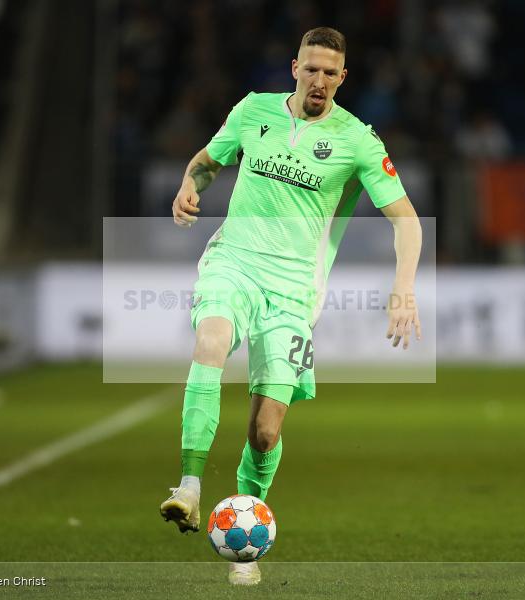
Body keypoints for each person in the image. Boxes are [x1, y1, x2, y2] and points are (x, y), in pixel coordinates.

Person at [159, 27, 422, 586]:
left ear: (342, 78)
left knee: (265, 433)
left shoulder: (357, 140)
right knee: (210, 341)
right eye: (312, 69)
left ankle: (244, 540)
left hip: (295, 292)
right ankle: (188, 485)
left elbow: (407, 220)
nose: (320, 80)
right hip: (233, 261)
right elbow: (208, 161)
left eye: (331, 73)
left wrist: (403, 288)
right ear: (294, 68)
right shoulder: (253, 110)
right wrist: (190, 185)